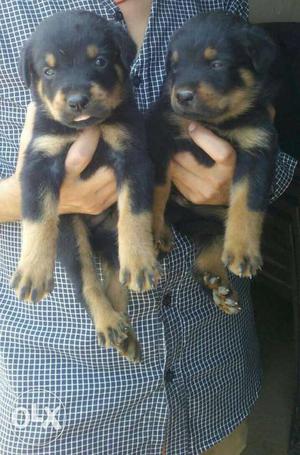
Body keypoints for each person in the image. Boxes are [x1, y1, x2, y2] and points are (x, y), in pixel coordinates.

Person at [0, 1, 296, 453]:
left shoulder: (215, 6)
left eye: (100, 62)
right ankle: (104, 305)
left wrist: (243, 177)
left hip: (211, 372)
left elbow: (265, 117)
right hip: (64, 390)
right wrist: (22, 200)